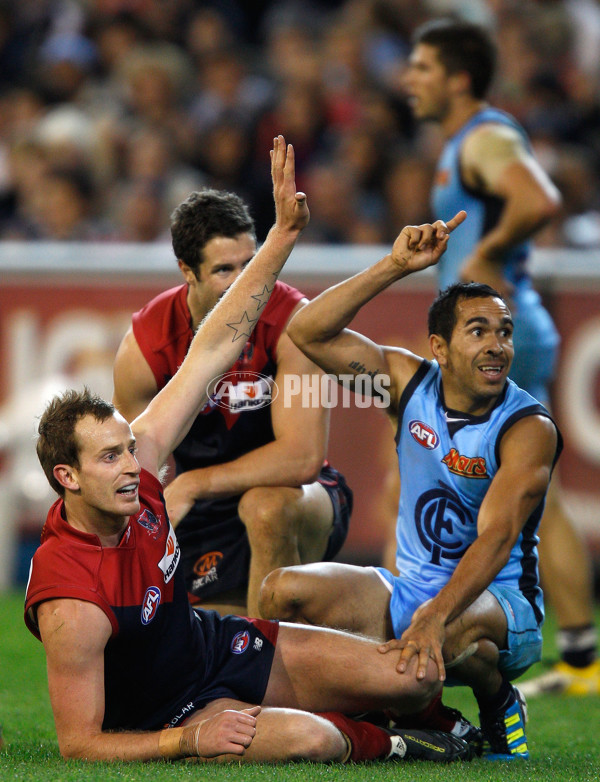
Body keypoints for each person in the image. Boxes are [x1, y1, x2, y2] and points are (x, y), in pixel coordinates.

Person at [23, 136, 469, 765]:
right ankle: (393, 741)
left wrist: (285, 235)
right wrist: (186, 740)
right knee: (310, 736)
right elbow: (78, 745)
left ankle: (430, 707)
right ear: (65, 477)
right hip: (176, 710)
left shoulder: (145, 467)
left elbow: (215, 347)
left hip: (218, 641)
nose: (131, 467)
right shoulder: (69, 598)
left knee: (417, 676)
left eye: (130, 449)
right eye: (110, 458)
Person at [259, 215, 563, 760]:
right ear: (439, 349)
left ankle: (494, 697)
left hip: (504, 605)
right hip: (408, 589)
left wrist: (433, 614)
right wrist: (395, 265)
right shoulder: (406, 382)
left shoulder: (527, 428)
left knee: (434, 645)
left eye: (504, 332)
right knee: (281, 591)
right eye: (479, 332)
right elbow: (308, 333)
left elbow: (495, 540)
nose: (497, 346)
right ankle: (424, 715)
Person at [401, 18, 599, 696]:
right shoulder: (467, 141)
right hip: (505, 328)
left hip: (505, 333)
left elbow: (538, 197)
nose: (409, 79)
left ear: (458, 77)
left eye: (423, 67)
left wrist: (486, 254)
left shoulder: (485, 137)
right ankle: (578, 653)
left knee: (529, 499)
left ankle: (574, 653)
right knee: (536, 501)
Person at [112, 188, 352, 619]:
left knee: (265, 507)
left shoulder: (297, 323)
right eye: (225, 270)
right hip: (207, 511)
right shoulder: (145, 344)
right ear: (188, 271)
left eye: (251, 264)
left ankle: (275, 661)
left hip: (299, 496)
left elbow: (303, 458)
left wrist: (192, 484)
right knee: (207, 640)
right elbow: (127, 464)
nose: (247, 284)